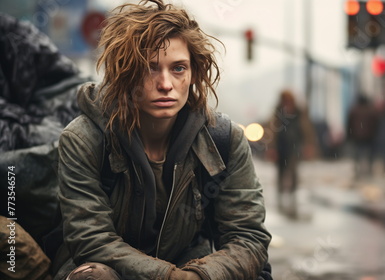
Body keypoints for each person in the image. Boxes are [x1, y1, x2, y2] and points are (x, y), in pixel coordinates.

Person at [52, 1, 271, 279]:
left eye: (178, 68)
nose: (165, 83)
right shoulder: (84, 139)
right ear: (125, 73)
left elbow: (248, 237)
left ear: (193, 73)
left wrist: (200, 275)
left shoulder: (224, 140)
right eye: (150, 68)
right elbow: (90, 239)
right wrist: (168, 277)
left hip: (188, 263)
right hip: (108, 269)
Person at [266, 89, 316, 219]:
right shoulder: (278, 112)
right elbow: (272, 129)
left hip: (295, 145)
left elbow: (306, 127)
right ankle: (281, 195)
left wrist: (308, 144)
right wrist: (271, 147)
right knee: (281, 171)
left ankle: (292, 194)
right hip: (281, 146)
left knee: (293, 171)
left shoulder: (299, 112)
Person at [347, 94, 381, 178]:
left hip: (357, 136)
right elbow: (376, 124)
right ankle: (369, 168)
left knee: (358, 153)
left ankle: (358, 168)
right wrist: (375, 133)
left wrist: (349, 135)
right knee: (369, 153)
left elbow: (349, 124)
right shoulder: (372, 111)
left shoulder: (354, 110)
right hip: (369, 136)